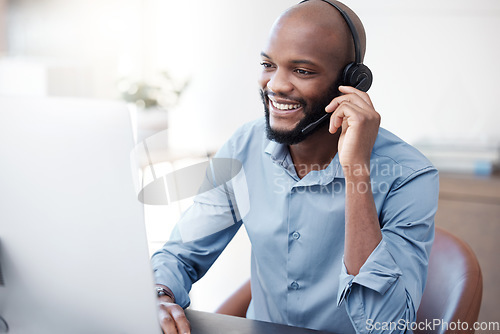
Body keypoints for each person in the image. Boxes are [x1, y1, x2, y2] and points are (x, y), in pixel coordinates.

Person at [151, 0, 439, 333]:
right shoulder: (244, 147)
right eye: (268, 64)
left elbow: (387, 327)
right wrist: (159, 294)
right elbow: (181, 253)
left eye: (301, 71)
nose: (275, 85)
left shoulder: (410, 176)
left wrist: (356, 169)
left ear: (352, 83)